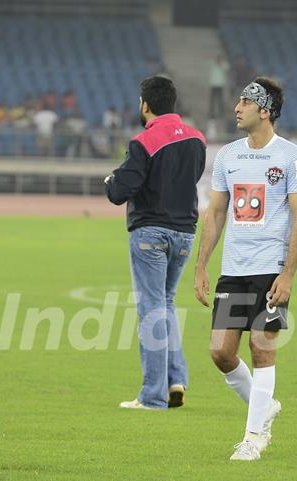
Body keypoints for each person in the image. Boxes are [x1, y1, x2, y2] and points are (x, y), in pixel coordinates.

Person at [193, 77, 297, 461]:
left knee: (262, 351)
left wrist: (288, 274)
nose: (236, 108)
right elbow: (214, 212)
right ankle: (265, 406)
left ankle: (253, 438)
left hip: (270, 269)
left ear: (265, 110)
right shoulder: (228, 156)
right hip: (234, 270)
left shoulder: (292, 157)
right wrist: (201, 266)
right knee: (221, 353)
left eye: (245, 101)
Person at [104, 76, 206, 410]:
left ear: (145, 105)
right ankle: (176, 381)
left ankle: (152, 395)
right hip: (185, 233)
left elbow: (120, 192)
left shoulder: (143, 141)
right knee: (167, 304)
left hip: (151, 233)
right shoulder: (197, 139)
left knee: (151, 310)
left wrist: (111, 181)